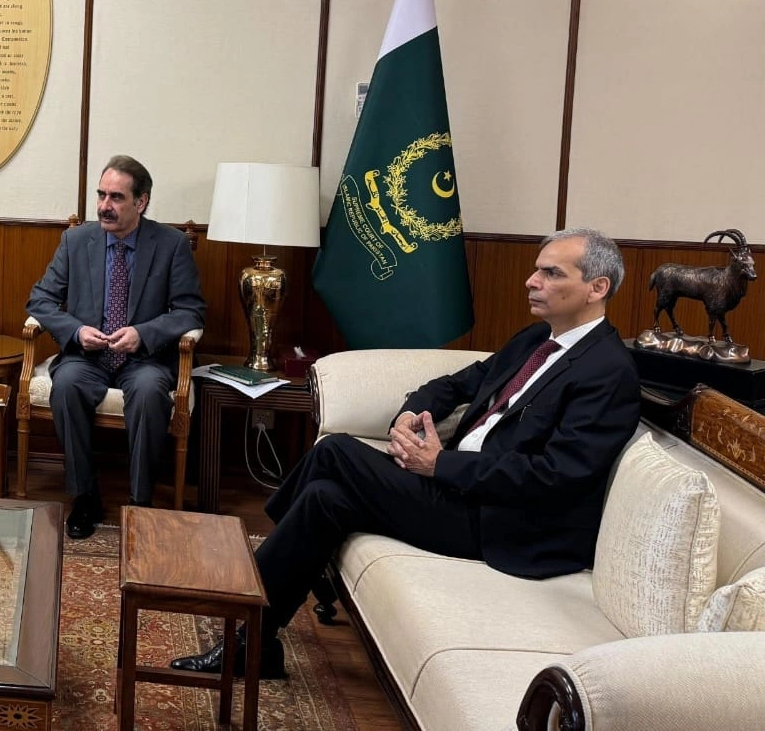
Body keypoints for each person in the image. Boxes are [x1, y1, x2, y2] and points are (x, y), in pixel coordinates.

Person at [171, 227, 642, 679]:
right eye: (537, 269)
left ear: (597, 287)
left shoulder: (608, 371)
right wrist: (410, 413)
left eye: (552, 273)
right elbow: (457, 383)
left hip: (504, 521)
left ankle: (249, 576)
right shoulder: (536, 340)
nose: (531, 281)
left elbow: (556, 475)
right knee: (322, 499)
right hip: (460, 490)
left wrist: (441, 464)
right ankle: (255, 645)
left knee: (335, 451)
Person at [26, 155, 207, 539]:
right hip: (87, 356)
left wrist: (143, 333)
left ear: (141, 202)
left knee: (149, 393)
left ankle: (140, 503)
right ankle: (85, 497)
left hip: (144, 358)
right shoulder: (76, 241)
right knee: (67, 386)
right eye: (101, 195)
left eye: (116, 197)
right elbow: (40, 300)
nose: (104, 206)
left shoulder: (171, 244)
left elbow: (190, 311)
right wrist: (77, 331)